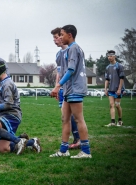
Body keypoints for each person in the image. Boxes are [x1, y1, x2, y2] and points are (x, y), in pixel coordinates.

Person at [50, 25, 92, 158]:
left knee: (79, 119)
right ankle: (63, 150)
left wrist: (58, 86)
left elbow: (71, 70)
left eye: (62, 35)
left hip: (75, 89)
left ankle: (86, 151)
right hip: (69, 90)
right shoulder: (70, 49)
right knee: (65, 119)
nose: (60, 37)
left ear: (70, 35)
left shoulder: (74, 48)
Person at [0, 60, 27, 155]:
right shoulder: (4, 83)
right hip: (7, 114)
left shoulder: (7, 84)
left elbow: (8, 104)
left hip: (12, 115)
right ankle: (31, 142)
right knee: (3, 149)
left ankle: (18, 141)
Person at [51, 27, 80, 150]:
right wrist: (57, 86)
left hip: (71, 88)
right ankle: (68, 142)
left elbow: (71, 70)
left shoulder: (71, 50)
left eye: (57, 37)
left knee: (73, 116)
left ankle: (78, 139)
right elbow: (60, 72)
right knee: (65, 116)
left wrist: (59, 85)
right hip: (62, 88)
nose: (55, 40)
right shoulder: (58, 54)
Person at [104, 50, 125, 127]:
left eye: (111, 56)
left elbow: (122, 78)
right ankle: (112, 122)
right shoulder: (107, 67)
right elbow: (106, 79)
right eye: (108, 56)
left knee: (117, 105)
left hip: (118, 89)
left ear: (114, 56)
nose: (109, 57)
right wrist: (105, 89)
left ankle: (120, 120)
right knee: (111, 105)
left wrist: (119, 89)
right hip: (111, 89)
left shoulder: (119, 66)